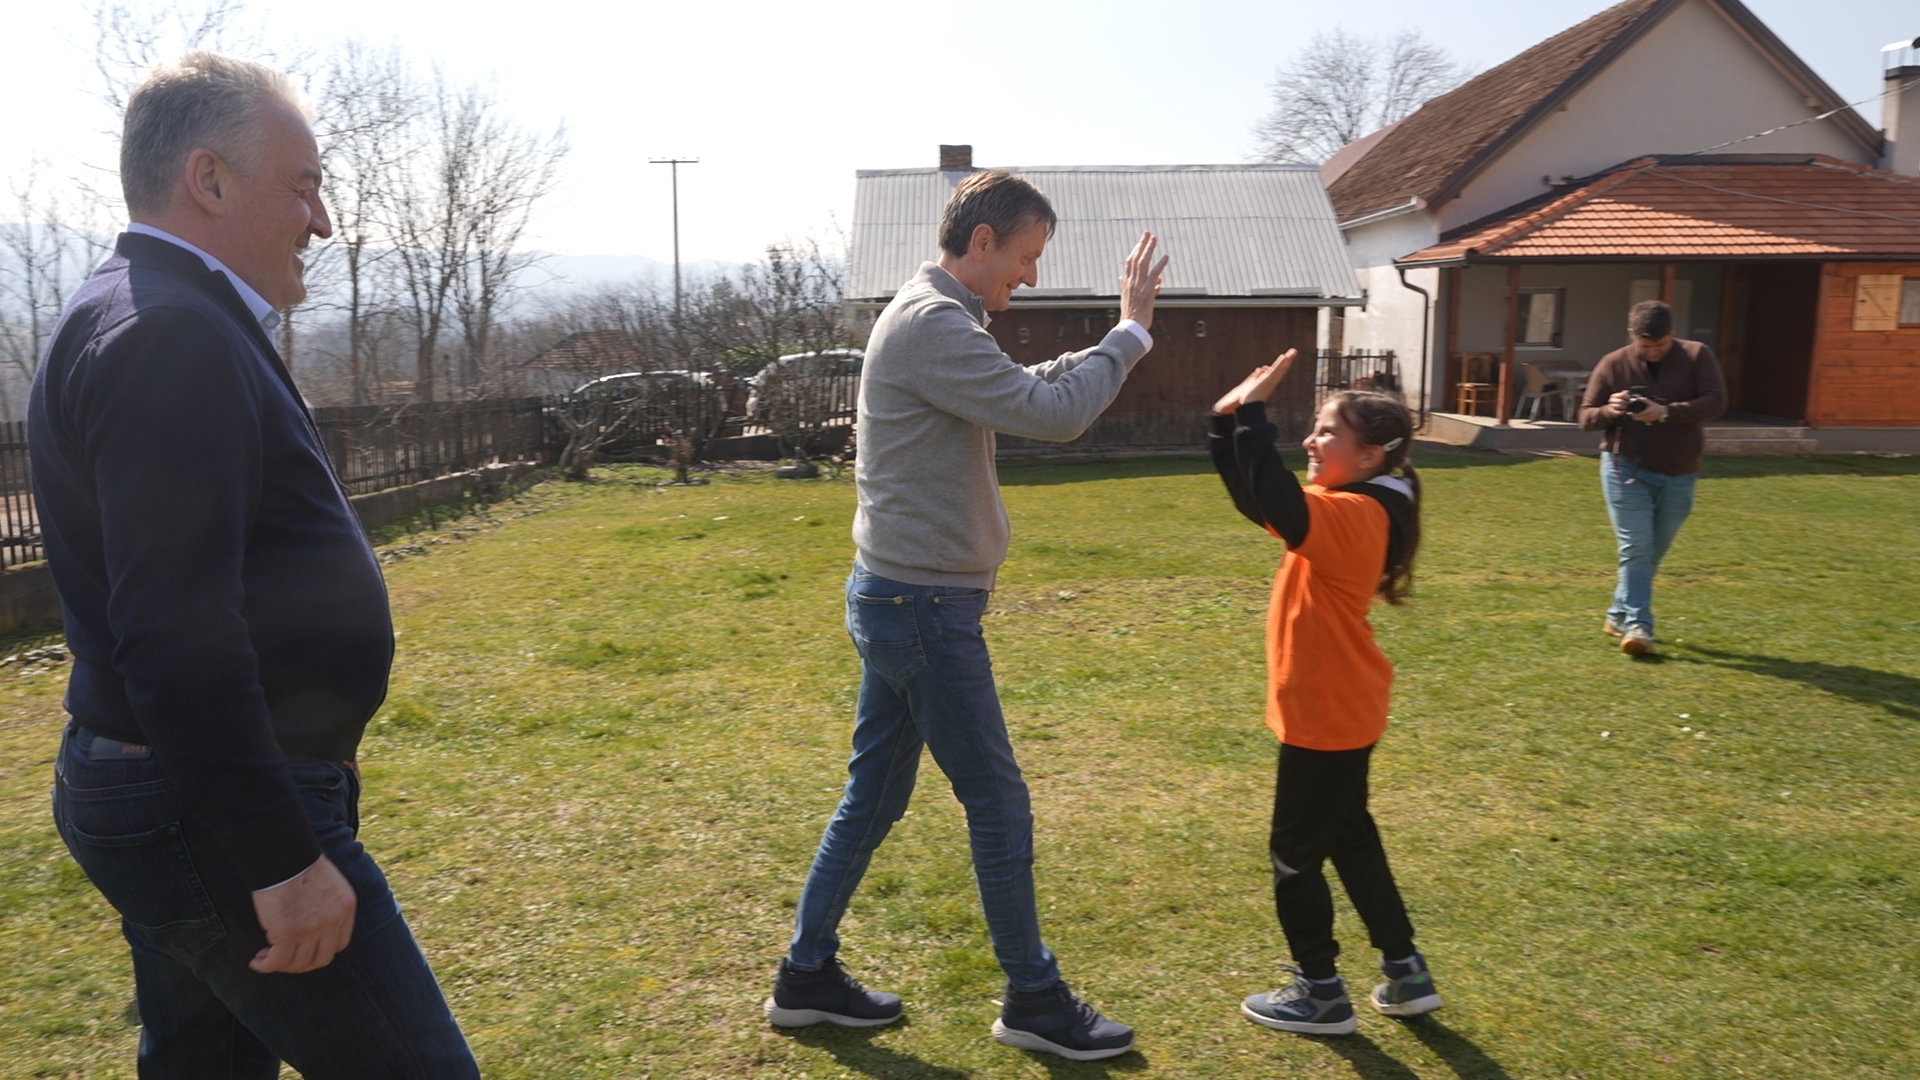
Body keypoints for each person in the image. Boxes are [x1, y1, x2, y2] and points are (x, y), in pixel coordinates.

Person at [28, 53, 478, 1078]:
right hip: (207, 804)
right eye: (304, 186)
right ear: (210, 180)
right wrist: (278, 859)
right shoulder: (169, 335)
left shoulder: (140, 307)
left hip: (192, 784)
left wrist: (317, 733)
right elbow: (177, 637)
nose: (322, 221)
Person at [763, 169, 1167, 1062]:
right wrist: (1130, 333)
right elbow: (1052, 413)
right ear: (981, 242)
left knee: (873, 797)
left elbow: (1022, 385)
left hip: (900, 597)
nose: (1030, 276)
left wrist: (1106, 343)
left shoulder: (937, 318)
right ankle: (1033, 998)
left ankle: (806, 977)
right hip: (923, 608)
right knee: (997, 802)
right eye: (1025, 256)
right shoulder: (932, 323)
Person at [1209, 351, 1440, 1036]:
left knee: (1296, 856)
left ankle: (1320, 993)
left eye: (1326, 432)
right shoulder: (1351, 508)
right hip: (1342, 705)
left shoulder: (1357, 515)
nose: (1310, 441)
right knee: (1349, 837)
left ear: (1369, 456)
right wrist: (1226, 423)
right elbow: (1260, 500)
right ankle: (1406, 972)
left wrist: (1256, 415)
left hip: (1327, 711)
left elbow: (1277, 497)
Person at [1576, 300, 1726, 657]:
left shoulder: (1696, 356)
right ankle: (1638, 625)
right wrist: (1609, 410)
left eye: (1660, 344)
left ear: (1672, 332)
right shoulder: (1613, 363)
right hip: (1624, 468)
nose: (1654, 351)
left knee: (1652, 551)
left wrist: (1666, 412)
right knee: (1636, 547)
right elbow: (1585, 418)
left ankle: (1617, 613)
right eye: (1646, 346)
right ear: (1632, 335)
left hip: (1679, 469)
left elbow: (1716, 402)